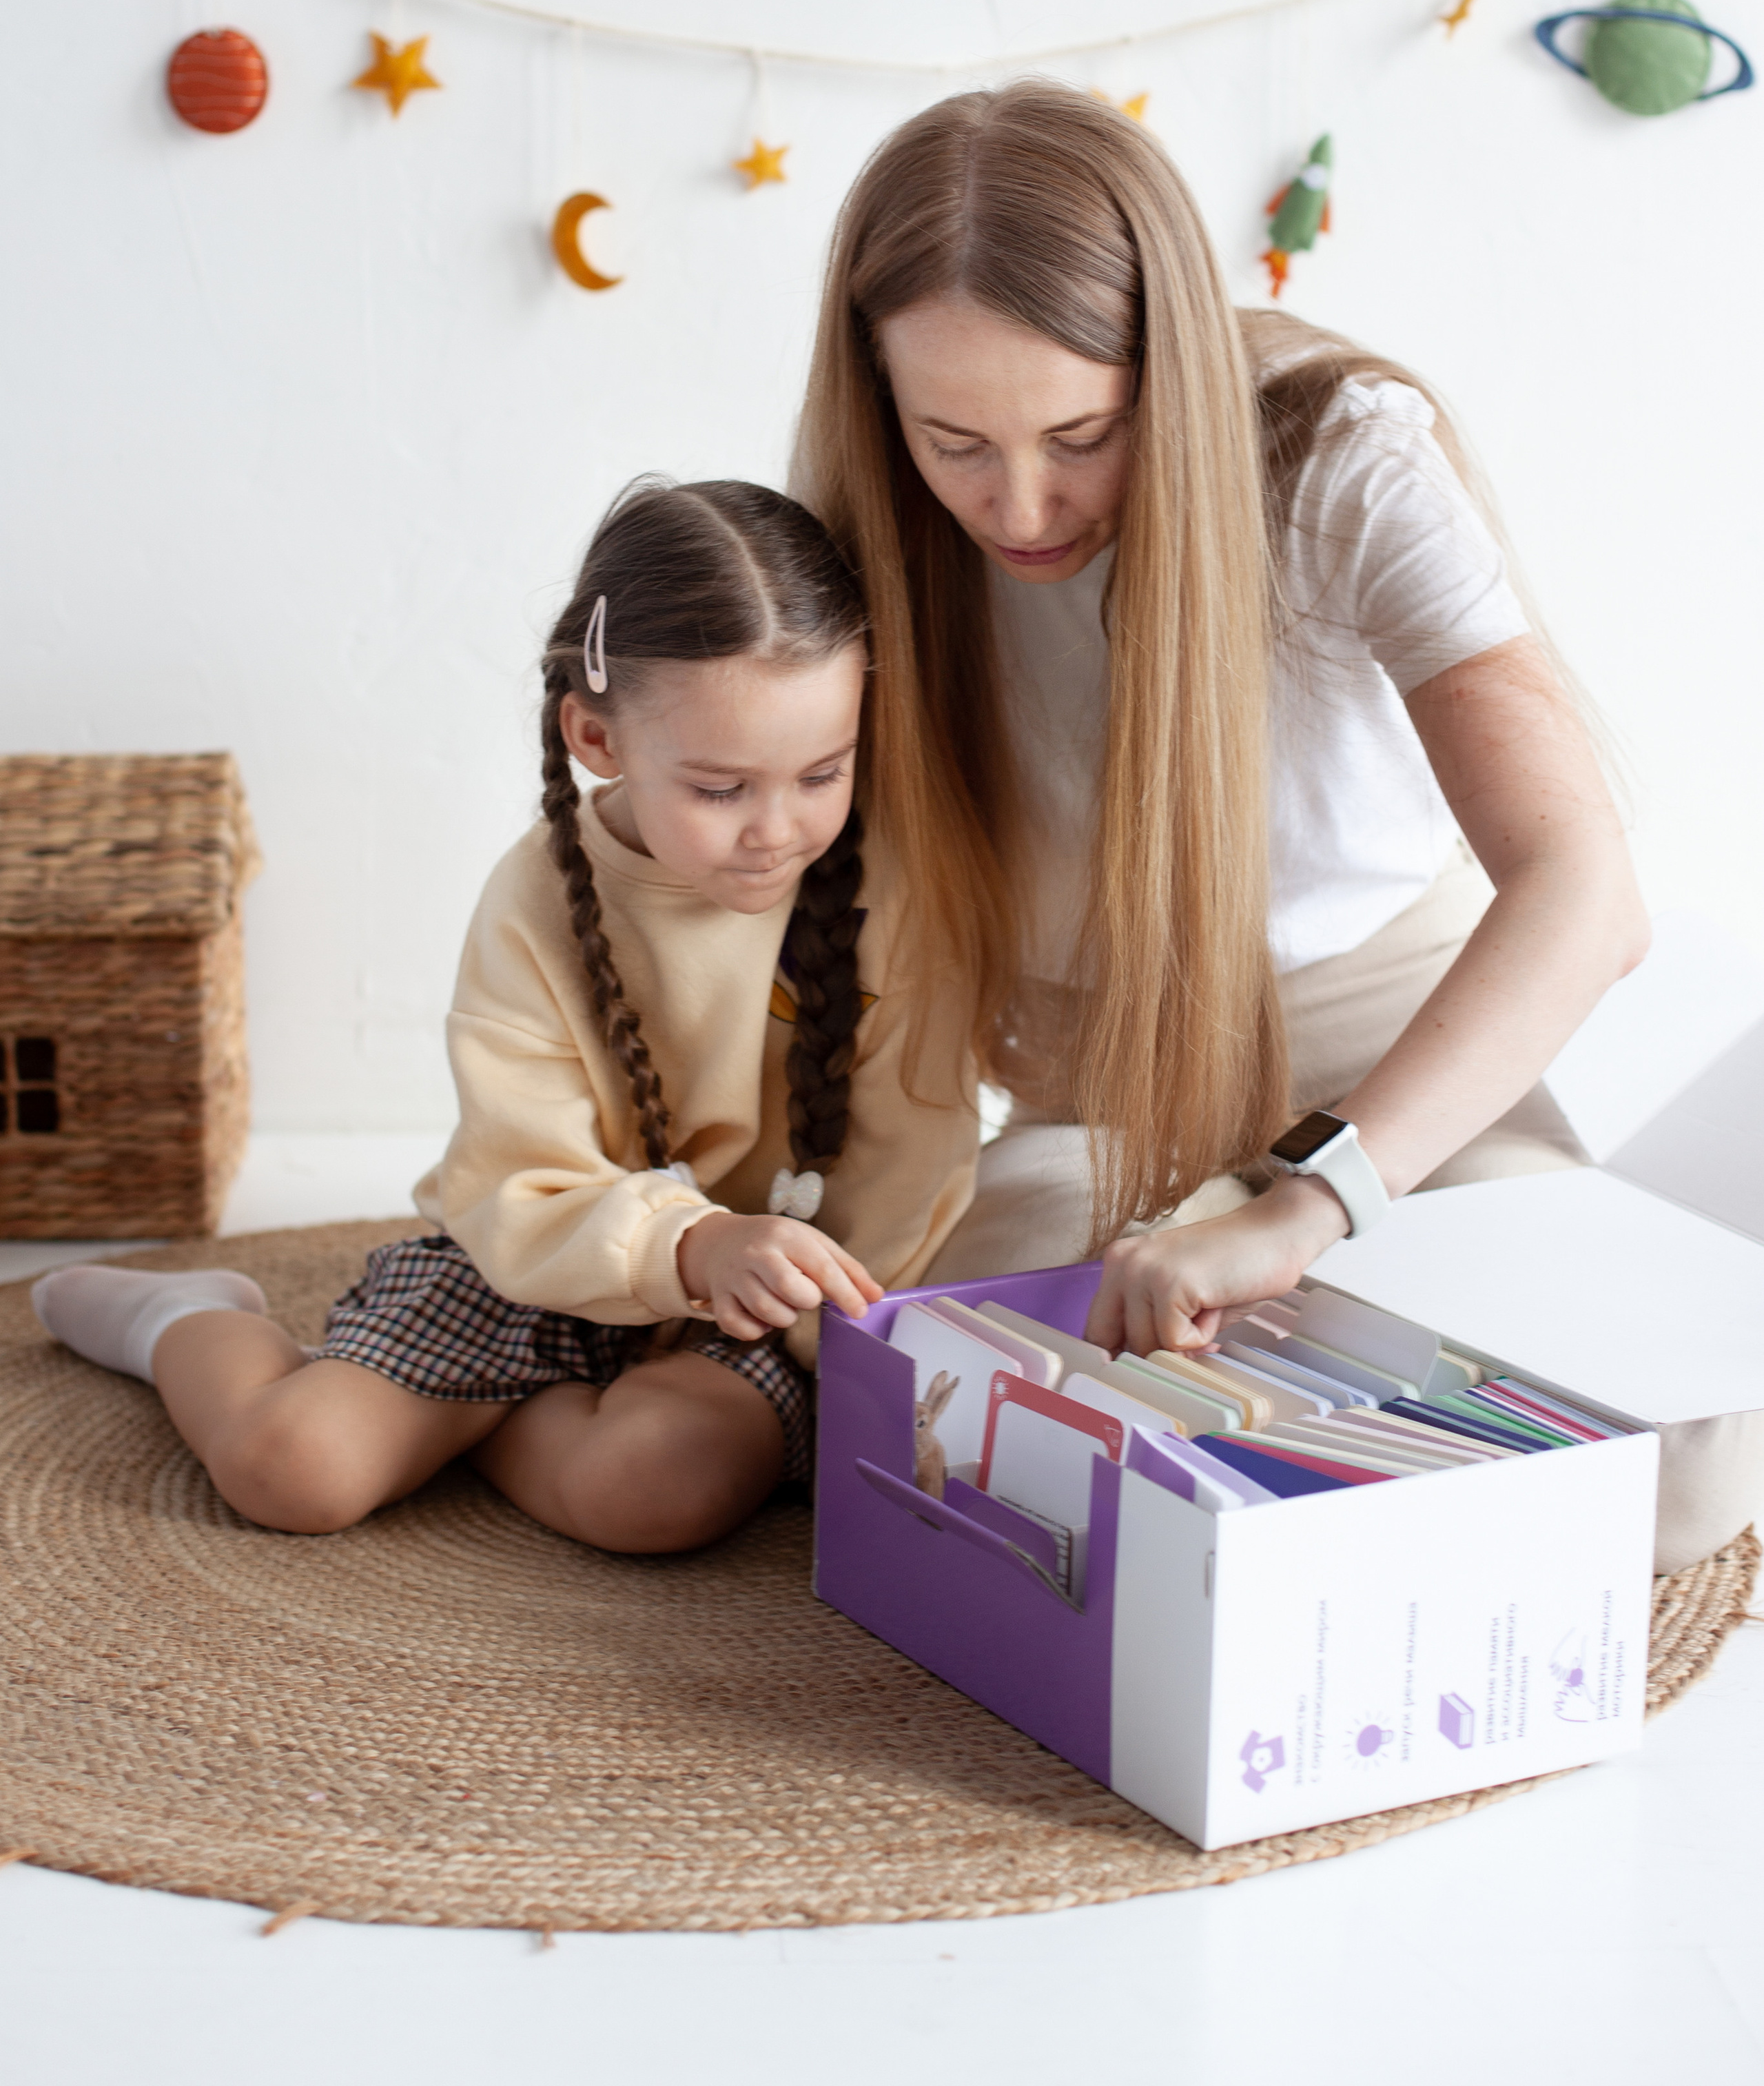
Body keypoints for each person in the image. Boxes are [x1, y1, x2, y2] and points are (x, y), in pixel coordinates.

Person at [794, 83, 1759, 1573]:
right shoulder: (865, 516)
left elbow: (1583, 890)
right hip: (1095, 1098)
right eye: (953, 440)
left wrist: (1312, 1202)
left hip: (1405, 1088)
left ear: (1166, 368)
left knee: (1677, 1482)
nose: (1021, 505)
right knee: (925, 1397)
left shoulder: (1338, 454)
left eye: (1082, 432)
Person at [34, 481, 977, 1553]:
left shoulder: (889, 899)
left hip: (764, 1319)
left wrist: (819, 1323)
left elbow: (913, 1174)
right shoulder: (537, 901)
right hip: (552, 1262)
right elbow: (517, 1181)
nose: (775, 830)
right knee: (291, 1469)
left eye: (821, 773)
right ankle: (183, 1319)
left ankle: (472, 1416)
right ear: (597, 735)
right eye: (720, 789)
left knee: (655, 1492)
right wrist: (690, 1244)